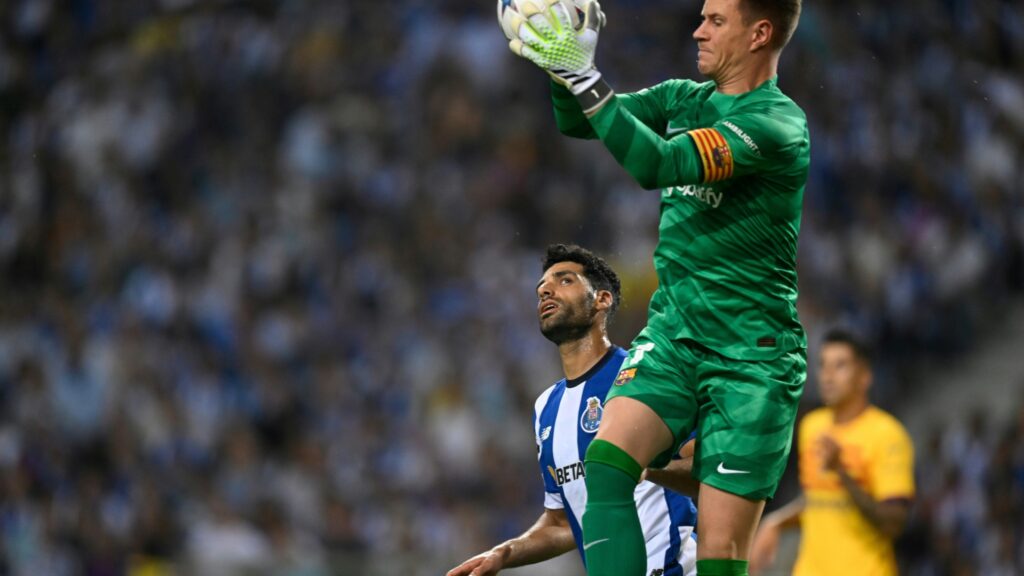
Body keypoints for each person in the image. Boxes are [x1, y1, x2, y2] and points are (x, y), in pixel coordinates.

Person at [500, 0, 809, 575]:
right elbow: (578, 120)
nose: (698, 29)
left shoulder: (776, 126)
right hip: (674, 333)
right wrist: (562, 71)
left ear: (760, 33)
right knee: (608, 460)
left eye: (716, 20)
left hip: (752, 358)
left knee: (719, 555)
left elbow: (656, 164)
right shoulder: (684, 98)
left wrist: (584, 75)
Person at [447, 244, 699, 576]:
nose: (546, 290)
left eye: (565, 280)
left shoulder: (644, 376)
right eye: (541, 290)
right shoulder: (545, 408)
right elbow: (562, 521)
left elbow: (705, 473)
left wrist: (640, 469)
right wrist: (505, 553)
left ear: (602, 300)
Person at [749, 330, 915, 576]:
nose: (827, 376)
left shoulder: (887, 435)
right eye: (823, 365)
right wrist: (778, 521)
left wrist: (842, 473)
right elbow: (815, 498)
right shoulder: (811, 426)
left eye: (840, 366)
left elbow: (893, 522)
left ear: (864, 377)